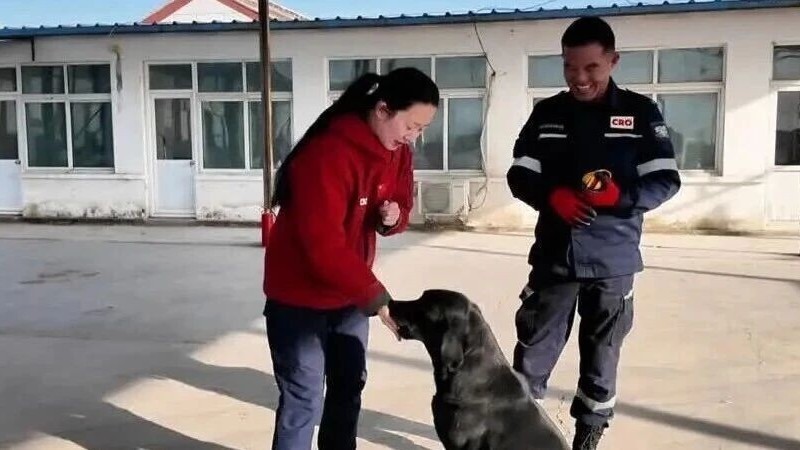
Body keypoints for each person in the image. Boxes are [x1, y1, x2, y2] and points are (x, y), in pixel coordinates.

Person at [506, 17, 681, 450]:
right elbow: (520, 174)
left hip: (612, 259)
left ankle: (589, 432)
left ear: (612, 61)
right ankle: (515, 432)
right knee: (532, 352)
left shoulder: (641, 113)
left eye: (591, 68)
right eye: (570, 67)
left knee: (602, 355)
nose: (579, 78)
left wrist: (621, 197)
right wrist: (553, 197)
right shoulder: (547, 113)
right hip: (555, 256)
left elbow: (665, 180)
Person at [262, 67, 440, 450]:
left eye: (422, 129)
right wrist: (377, 299)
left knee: (347, 391)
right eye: (411, 125)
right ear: (382, 110)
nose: (414, 137)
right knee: (303, 399)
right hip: (299, 300)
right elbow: (321, 246)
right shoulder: (327, 154)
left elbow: (401, 202)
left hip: (348, 299)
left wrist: (392, 216)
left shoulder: (397, 153)